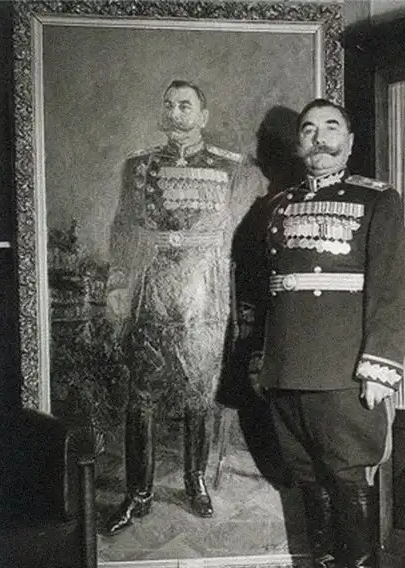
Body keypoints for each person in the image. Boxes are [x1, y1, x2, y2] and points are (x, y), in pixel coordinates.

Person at [231, 98, 405, 568]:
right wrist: (261, 357)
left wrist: (380, 365)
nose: (319, 137)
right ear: (298, 145)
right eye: (308, 129)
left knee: (348, 479)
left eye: (331, 127)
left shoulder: (376, 199)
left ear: (350, 142)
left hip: (343, 370)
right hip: (287, 368)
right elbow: (263, 294)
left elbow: (393, 288)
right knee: (308, 478)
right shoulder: (278, 207)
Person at [105, 79, 263, 535]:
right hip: (153, 288)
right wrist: (118, 286)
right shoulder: (138, 166)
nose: (175, 113)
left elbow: (241, 240)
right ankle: (139, 492)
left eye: (184, 106)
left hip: (204, 292)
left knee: (199, 390)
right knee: (142, 394)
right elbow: (122, 229)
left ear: (202, 116)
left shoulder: (231, 167)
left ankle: (195, 481)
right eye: (169, 105)